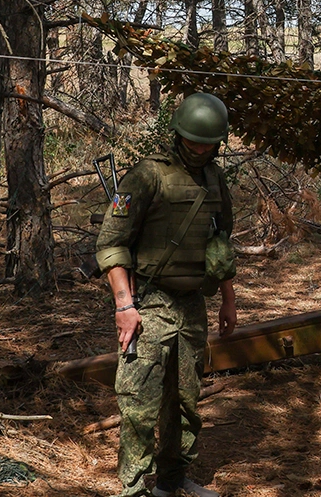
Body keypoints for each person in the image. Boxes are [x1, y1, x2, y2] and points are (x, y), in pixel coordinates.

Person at [95, 92, 236, 497]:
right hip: (149, 303)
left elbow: (221, 243)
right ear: (178, 134)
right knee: (139, 403)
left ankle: (173, 480)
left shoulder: (215, 178)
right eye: (194, 140)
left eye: (208, 143)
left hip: (193, 304)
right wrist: (124, 306)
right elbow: (111, 244)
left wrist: (228, 300)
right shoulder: (146, 176)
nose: (200, 149)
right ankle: (135, 488)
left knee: (187, 401)